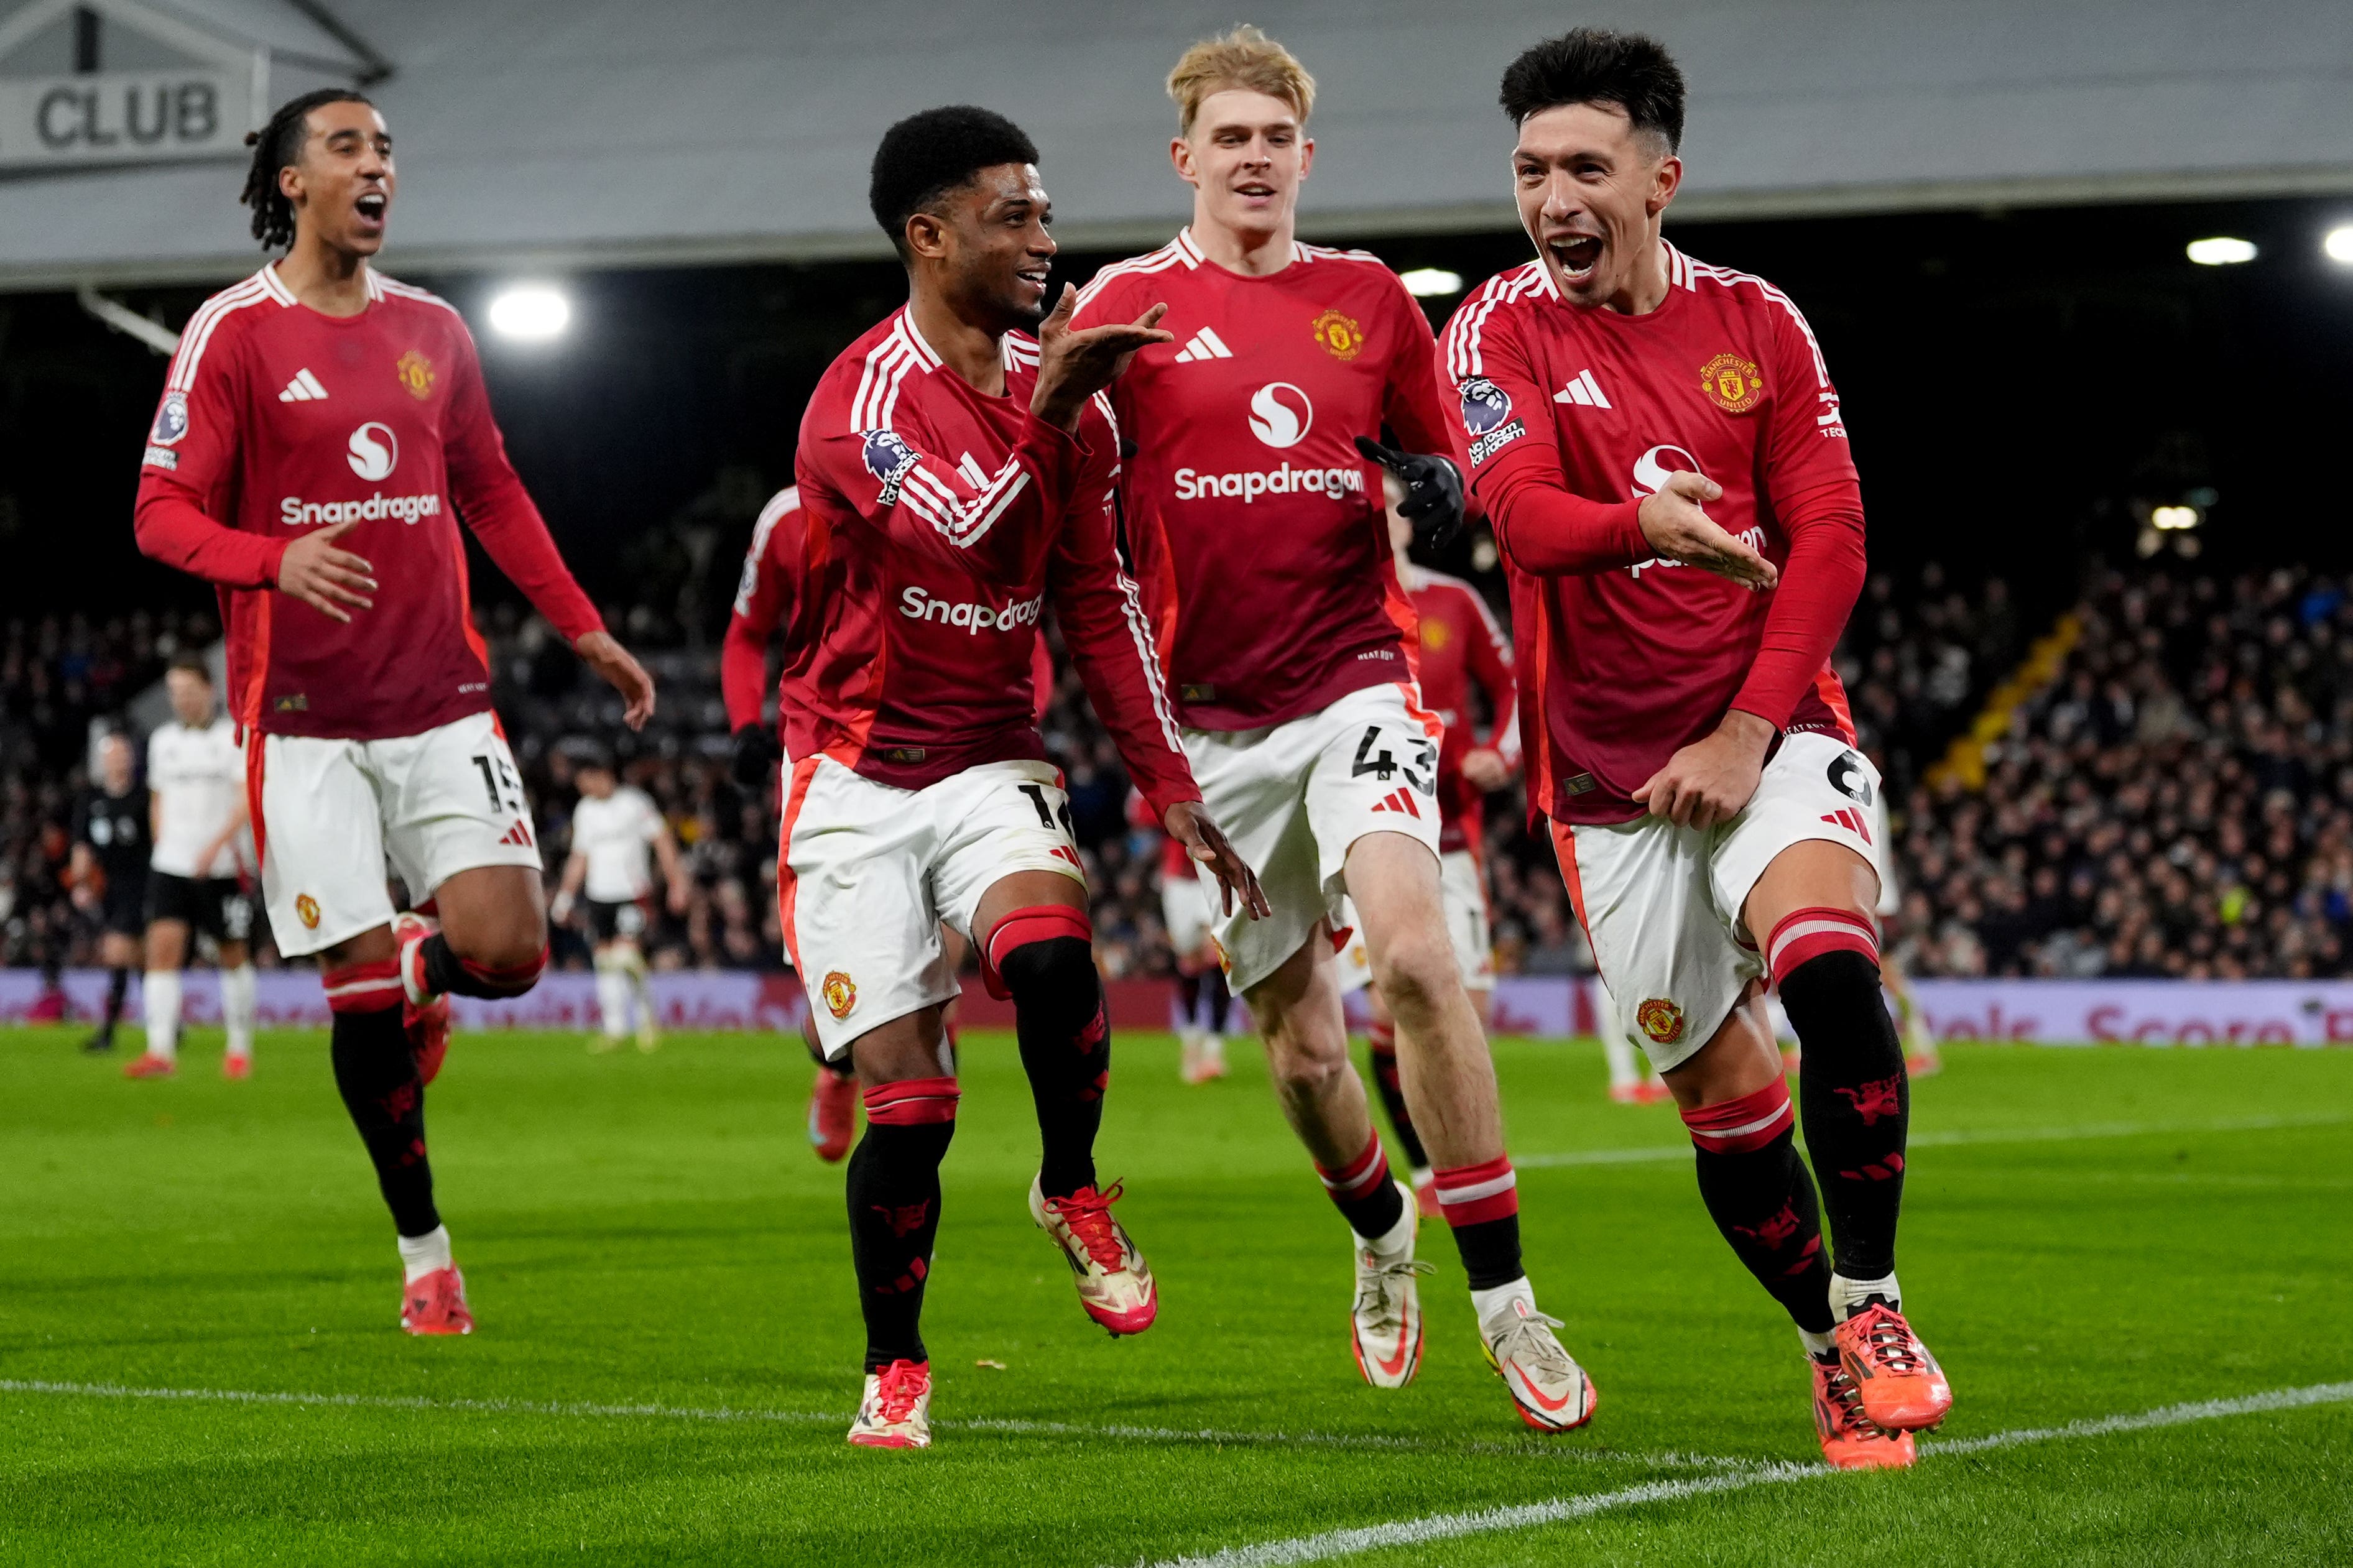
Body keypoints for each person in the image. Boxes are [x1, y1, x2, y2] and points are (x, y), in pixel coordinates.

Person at [1438, 29, 1951, 1468]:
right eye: (1531, 169)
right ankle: (1824, 1353)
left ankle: (1875, 1303)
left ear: (1659, 180)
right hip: (1606, 786)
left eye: (1584, 167)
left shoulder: (1759, 327)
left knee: (1831, 973)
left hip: (1768, 726)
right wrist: (1638, 528)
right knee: (1725, 1105)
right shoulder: (1489, 331)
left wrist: (1743, 729)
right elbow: (1526, 521)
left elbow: (1832, 539)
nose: (1553, 197)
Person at [1071, 26, 1593, 1426]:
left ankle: (1508, 1303)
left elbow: (1451, 464)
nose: (1252, 158)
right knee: (1301, 1051)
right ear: (1184, 158)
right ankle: (1377, 1239)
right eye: (1225, 139)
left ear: (1307, 155)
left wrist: (1443, 490)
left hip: (1358, 679)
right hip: (1211, 728)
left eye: (1273, 137)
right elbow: (1062, 519)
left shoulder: (1368, 299)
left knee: (1419, 962)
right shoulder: (1120, 308)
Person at [131, 88, 655, 1337]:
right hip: (300, 721)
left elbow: (490, 486)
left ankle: (418, 959)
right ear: (291, 181)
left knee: (512, 953)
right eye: (348, 149)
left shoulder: (434, 328)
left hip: (440, 704)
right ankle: (426, 1252)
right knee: (361, 1006)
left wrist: (581, 623)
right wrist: (272, 559)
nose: (379, 168)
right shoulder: (232, 334)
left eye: (386, 150)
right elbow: (158, 515)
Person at [790, 106, 1265, 1449]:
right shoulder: (858, 406)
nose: (1046, 242)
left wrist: (1166, 781)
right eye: (1015, 217)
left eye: (1047, 213)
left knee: (1056, 959)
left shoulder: (1067, 399)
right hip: (854, 777)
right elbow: (966, 548)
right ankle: (896, 1362)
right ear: (927, 236)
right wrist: (1050, 414)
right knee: (914, 1105)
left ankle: (1067, 1183)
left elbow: (1093, 597)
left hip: (992, 753)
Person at [723, 483, 1055, 1158]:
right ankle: (835, 1067)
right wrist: (745, 726)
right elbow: (745, 632)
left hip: (957, 761)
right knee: (836, 1021)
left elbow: (1028, 640)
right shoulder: (787, 518)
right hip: (834, 768)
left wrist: (1017, 723)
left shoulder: (965, 503)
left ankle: (916, 1135)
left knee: (937, 966)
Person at [1358, 473, 1519, 1217]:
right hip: (1363, 839)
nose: (1383, 514)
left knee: (1468, 1009)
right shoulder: (1335, 604)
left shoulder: (1453, 600)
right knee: (1391, 1014)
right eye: (1368, 501)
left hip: (1452, 837)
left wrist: (1499, 753)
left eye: (1390, 502)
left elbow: (1517, 685)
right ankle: (1424, 1175)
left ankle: (1461, 1165)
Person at [132, 657, 261, 1079]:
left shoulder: (230, 739)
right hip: (171, 863)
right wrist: (162, 841)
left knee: (232, 954)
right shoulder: (162, 741)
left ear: (208, 690)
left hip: (221, 866)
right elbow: (157, 799)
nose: (182, 700)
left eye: (188, 691)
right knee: (161, 954)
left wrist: (215, 848)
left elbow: (245, 799)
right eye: (175, 693)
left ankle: (239, 1048)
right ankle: (160, 1052)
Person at [551, 751, 689, 1052]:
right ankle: (614, 1029)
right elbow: (580, 856)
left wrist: (677, 883)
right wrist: (565, 896)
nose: (583, 789)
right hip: (599, 895)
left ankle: (646, 1021)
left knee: (627, 957)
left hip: (632, 893)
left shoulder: (635, 804)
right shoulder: (585, 810)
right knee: (604, 962)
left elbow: (663, 842)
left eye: (587, 781)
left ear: (603, 774)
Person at [1129, 785, 1234, 1083]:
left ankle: (1214, 1050)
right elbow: (1140, 812)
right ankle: (1190, 1040)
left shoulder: (1214, 769)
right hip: (1179, 880)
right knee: (1190, 961)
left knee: (1215, 956)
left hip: (1214, 874)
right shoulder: (1168, 773)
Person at [68, 732, 149, 1056]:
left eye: (122, 755)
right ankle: (170, 1023)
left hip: (142, 884)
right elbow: (82, 846)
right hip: (110, 888)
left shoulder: (142, 798)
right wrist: (81, 883)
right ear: (103, 762)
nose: (117, 761)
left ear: (131, 759)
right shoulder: (91, 800)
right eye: (111, 756)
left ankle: (108, 1032)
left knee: (118, 953)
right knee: (138, 958)